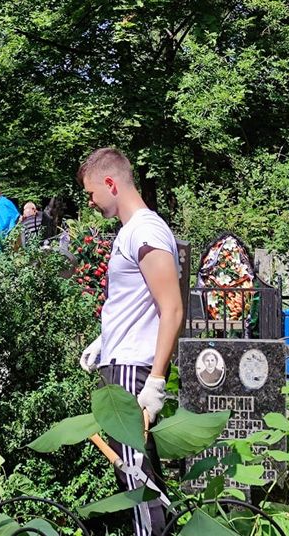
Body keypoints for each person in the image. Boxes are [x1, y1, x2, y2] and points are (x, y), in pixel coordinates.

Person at [77, 148, 183, 536]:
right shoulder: (132, 231)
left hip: (133, 372)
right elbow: (138, 303)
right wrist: (104, 340)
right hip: (121, 363)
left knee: (137, 483)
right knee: (139, 478)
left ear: (111, 183)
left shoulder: (145, 230)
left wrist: (155, 382)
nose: (90, 203)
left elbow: (171, 307)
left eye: (91, 194)